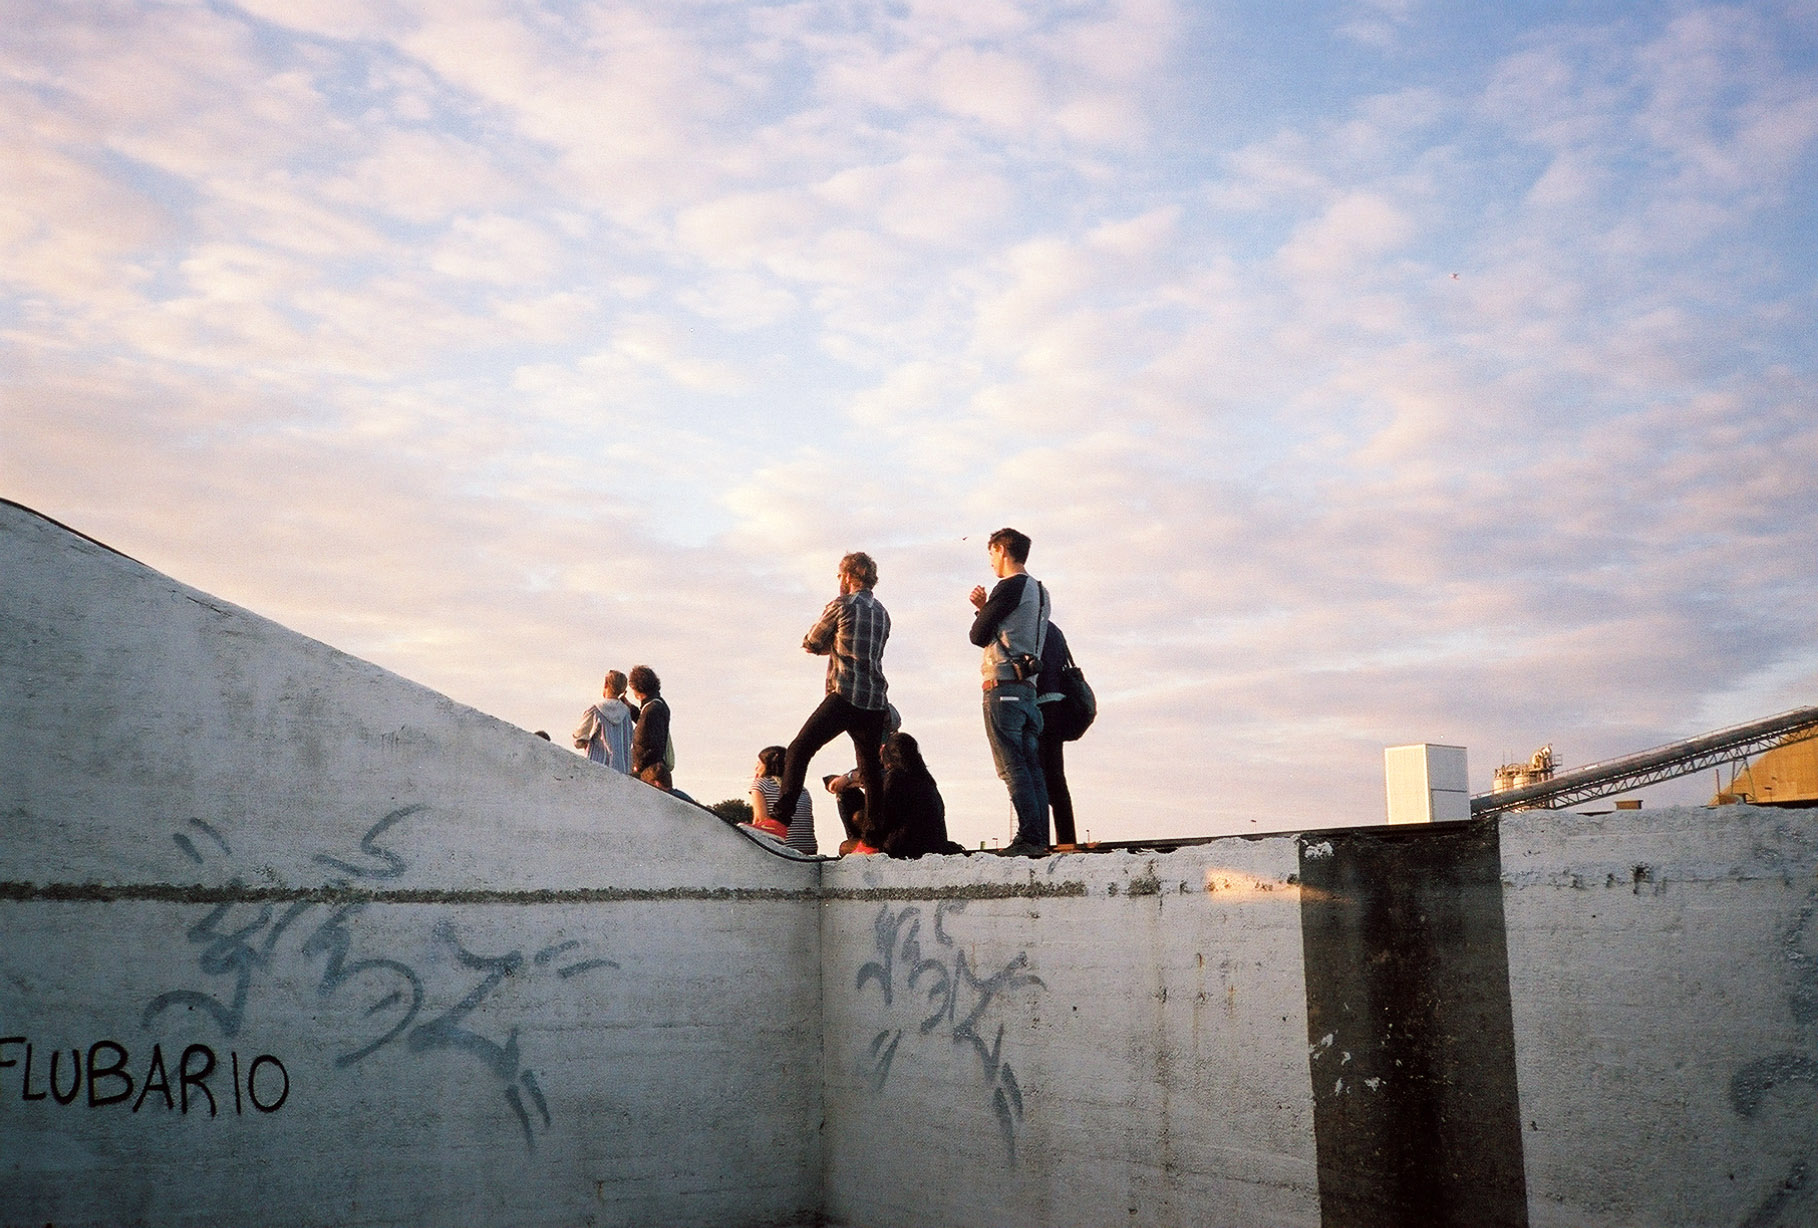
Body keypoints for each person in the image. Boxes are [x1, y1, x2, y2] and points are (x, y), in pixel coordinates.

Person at [770, 552, 891, 831]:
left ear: (848, 576)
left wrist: (829, 645)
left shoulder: (841, 604)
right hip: (874, 700)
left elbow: (812, 641)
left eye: (839, 576)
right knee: (871, 770)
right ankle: (873, 837)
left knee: (799, 749)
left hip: (845, 692)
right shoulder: (883, 613)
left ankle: (780, 819)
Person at [968, 527, 1050, 857]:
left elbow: (977, 634)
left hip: (1003, 688)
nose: (990, 561)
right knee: (1032, 767)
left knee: (1012, 767)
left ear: (1001, 549)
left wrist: (983, 608)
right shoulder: (1040, 591)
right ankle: (1039, 837)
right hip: (1028, 691)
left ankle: (1028, 838)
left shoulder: (1009, 586)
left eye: (990, 553)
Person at [825, 732, 956, 859]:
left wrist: (866, 834)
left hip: (903, 848)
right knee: (856, 809)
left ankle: (862, 846)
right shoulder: (926, 779)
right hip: (932, 845)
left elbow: (881, 821)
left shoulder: (895, 777)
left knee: (844, 847)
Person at [1035, 622, 1078, 848]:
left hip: (1040, 704)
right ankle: (1067, 839)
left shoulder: (1029, 627)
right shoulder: (1054, 630)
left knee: (1037, 777)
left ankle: (1039, 837)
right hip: (1059, 704)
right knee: (1056, 777)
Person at [750, 745, 817, 854]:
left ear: (768, 765)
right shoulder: (801, 789)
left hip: (782, 850)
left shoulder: (760, 784)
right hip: (809, 848)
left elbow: (760, 821)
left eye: (759, 763)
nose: (756, 768)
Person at [573, 670, 635, 772]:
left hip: (597, 769)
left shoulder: (595, 711)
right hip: (622, 771)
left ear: (606, 683)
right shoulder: (626, 714)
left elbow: (577, 741)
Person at [628, 665, 671, 777]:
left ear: (637, 688)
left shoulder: (650, 710)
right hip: (656, 768)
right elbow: (648, 726)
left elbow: (645, 741)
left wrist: (638, 766)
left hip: (647, 772)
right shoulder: (659, 704)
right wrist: (630, 707)